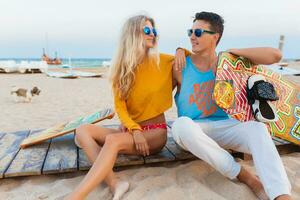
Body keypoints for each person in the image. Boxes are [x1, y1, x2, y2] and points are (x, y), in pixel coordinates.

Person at [172, 11, 291, 200]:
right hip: (194, 131)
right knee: (180, 125)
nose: (192, 37)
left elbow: (275, 55)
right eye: (190, 32)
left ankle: (281, 194)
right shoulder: (179, 66)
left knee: (258, 129)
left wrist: (234, 53)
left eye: (199, 32)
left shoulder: (229, 64)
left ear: (215, 37)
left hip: (225, 127)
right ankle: (245, 176)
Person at [65, 15, 176, 200]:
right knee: (82, 130)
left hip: (155, 133)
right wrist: (134, 129)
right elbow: (120, 107)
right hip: (132, 133)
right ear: (133, 33)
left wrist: (181, 50)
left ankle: (74, 197)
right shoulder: (122, 69)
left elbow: (190, 58)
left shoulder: (162, 61)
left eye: (154, 31)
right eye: (147, 30)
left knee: (113, 141)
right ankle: (115, 182)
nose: (152, 35)